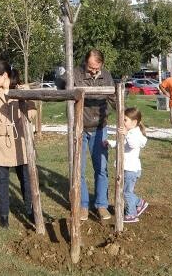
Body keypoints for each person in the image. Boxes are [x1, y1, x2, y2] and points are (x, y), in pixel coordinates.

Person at [56, 49, 116, 221]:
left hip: (100, 127)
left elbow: (113, 98)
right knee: (78, 169)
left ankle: (101, 205)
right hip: (80, 127)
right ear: (85, 63)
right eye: (90, 68)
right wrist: (63, 77)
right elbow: (60, 86)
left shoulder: (106, 75)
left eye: (97, 68)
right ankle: (82, 205)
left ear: (101, 64)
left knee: (102, 169)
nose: (94, 71)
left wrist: (125, 116)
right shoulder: (75, 73)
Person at [0, 60, 35, 229]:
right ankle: (4, 214)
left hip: (20, 140)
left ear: (4, 75)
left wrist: (28, 96)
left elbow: (32, 113)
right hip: (1, 141)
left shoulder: (20, 91)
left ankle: (30, 209)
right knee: (2, 179)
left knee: (25, 178)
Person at [118, 107, 149, 223]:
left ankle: (131, 214)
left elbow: (132, 144)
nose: (123, 122)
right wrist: (110, 144)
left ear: (134, 122)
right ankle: (139, 203)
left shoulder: (136, 134)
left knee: (126, 192)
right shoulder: (129, 133)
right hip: (127, 168)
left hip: (131, 169)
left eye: (125, 120)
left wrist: (126, 134)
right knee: (125, 191)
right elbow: (122, 144)